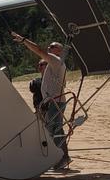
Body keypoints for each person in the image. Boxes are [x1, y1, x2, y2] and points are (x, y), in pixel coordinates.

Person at [11, 31, 70, 169]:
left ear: (60, 51)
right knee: (54, 129)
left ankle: (63, 157)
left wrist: (24, 40)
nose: (49, 47)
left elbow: (38, 50)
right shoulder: (54, 63)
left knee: (55, 130)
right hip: (52, 102)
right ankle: (60, 157)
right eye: (49, 46)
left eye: (52, 46)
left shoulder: (56, 61)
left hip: (56, 102)